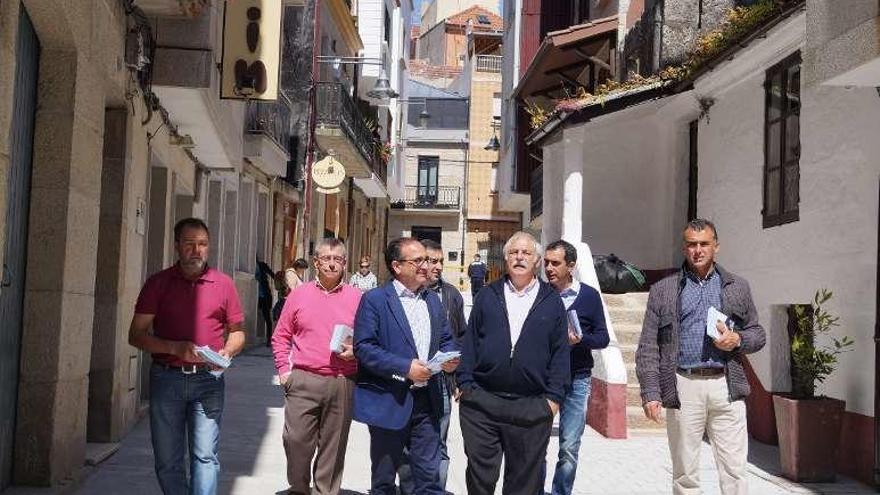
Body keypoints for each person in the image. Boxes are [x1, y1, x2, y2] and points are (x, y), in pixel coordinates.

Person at [636, 219, 766, 495]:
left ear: (716, 247)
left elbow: (757, 333)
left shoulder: (737, 286)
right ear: (684, 248)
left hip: (726, 386)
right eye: (692, 244)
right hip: (684, 386)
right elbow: (648, 346)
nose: (698, 250)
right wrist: (650, 392)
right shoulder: (664, 290)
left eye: (704, 244)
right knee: (685, 474)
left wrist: (738, 339)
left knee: (734, 470)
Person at [128, 217, 245, 495]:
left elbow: (238, 332)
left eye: (203, 244)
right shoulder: (158, 284)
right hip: (166, 379)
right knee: (167, 461)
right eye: (190, 244)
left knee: (205, 457)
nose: (197, 250)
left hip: (209, 381)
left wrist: (226, 351)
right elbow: (136, 335)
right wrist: (174, 348)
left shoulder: (224, 284)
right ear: (177, 246)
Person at [457, 231, 570, 495]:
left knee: (523, 485)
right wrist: (465, 384)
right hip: (482, 403)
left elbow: (560, 354)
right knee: (480, 480)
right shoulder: (487, 295)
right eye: (514, 253)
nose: (519, 257)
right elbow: (470, 342)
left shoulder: (552, 302)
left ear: (537, 261)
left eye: (526, 253)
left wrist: (552, 401)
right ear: (506, 258)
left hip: (531, 406)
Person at [353, 237, 460, 495]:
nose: (426, 265)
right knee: (384, 480)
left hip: (428, 402)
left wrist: (450, 360)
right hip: (390, 400)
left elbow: (447, 340)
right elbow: (364, 348)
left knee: (428, 478)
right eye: (418, 260)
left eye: (427, 259)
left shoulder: (432, 301)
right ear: (397, 266)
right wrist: (405, 367)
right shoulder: (375, 300)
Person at [271, 238, 362, 495]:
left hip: (342, 381)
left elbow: (369, 339)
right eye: (327, 258)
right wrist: (284, 370)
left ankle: (325, 491)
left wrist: (356, 352)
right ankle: (299, 488)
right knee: (295, 440)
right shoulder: (299, 294)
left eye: (338, 260)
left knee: (333, 447)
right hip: (303, 379)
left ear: (345, 264)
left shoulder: (357, 298)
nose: (332, 264)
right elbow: (281, 336)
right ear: (316, 262)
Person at [397, 239, 466, 494]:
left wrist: (457, 377)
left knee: (439, 444)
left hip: (442, 384)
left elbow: (460, 337)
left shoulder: (451, 296)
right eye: (430, 260)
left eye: (439, 262)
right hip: (407, 383)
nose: (435, 266)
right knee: (407, 446)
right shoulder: (399, 295)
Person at [543, 239, 610, 495]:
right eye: (547, 262)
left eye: (555, 263)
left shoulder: (589, 296)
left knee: (569, 446)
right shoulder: (539, 293)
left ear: (570, 266)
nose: (549, 268)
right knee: (535, 443)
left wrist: (581, 341)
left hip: (577, 379)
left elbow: (602, 337)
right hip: (543, 380)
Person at [256, 257, 275, 346]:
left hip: (264, 296)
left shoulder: (262, 265)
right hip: (255, 296)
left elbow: (273, 275)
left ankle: (269, 339)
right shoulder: (253, 268)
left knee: (267, 318)